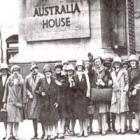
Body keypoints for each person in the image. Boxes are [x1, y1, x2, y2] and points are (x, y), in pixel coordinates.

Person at [35, 64, 59, 140]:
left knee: (52, 119)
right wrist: (40, 92)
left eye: (49, 72)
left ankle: (51, 134)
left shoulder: (54, 80)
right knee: (44, 120)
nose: (47, 74)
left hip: (52, 103)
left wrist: (57, 102)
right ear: (44, 73)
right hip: (44, 103)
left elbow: (58, 92)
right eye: (46, 72)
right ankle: (46, 134)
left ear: (51, 73)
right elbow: (35, 90)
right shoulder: (41, 80)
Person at [3, 65, 26, 140]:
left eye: (17, 71)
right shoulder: (9, 79)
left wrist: (23, 102)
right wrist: (4, 102)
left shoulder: (22, 80)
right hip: (10, 102)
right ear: (12, 72)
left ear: (19, 72)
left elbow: (24, 92)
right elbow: (6, 91)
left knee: (17, 120)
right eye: (14, 71)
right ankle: (9, 134)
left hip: (18, 103)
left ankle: (16, 134)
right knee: (9, 119)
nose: (15, 73)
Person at [91, 57, 112, 135]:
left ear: (101, 62)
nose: (97, 63)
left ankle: (103, 129)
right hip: (96, 93)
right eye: (96, 62)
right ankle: (99, 128)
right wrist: (95, 84)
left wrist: (104, 84)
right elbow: (92, 81)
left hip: (103, 93)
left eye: (98, 61)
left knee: (103, 112)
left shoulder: (106, 71)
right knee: (98, 112)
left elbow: (110, 82)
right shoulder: (94, 71)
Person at [25, 62, 44, 139]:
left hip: (40, 99)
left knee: (42, 117)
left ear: (37, 69)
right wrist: (29, 94)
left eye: (35, 68)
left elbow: (44, 86)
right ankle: (35, 134)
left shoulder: (42, 77)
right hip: (32, 100)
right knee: (33, 118)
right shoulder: (27, 78)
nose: (34, 70)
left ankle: (44, 133)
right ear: (30, 70)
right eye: (32, 69)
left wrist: (40, 91)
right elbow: (25, 88)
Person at [110, 56, 129, 134]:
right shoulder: (112, 73)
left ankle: (123, 128)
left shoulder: (124, 71)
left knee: (122, 112)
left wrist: (125, 90)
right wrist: (111, 84)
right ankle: (118, 128)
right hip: (115, 93)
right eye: (115, 63)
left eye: (118, 63)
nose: (116, 64)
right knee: (116, 112)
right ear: (113, 64)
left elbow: (127, 82)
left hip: (122, 93)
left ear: (120, 64)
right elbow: (111, 83)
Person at [74, 60, 90, 137]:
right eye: (78, 66)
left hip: (84, 97)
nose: (79, 67)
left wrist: (88, 94)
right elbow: (73, 87)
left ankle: (85, 130)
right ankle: (81, 130)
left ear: (82, 67)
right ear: (76, 67)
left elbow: (88, 85)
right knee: (79, 115)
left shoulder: (85, 75)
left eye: (80, 66)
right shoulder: (74, 76)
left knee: (85, 114)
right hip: (77, 97)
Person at [54, 62, 68, 139]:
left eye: (59, 68)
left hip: (63, 100)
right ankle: (56, 132)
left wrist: (60, 84)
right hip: (55, 99)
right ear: (55, 69)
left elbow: (66, 86)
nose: (58, 69)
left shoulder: (64, 77)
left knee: (62, 116)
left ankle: (62, 131)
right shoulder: (53, 77)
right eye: (57, 68)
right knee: (56, 116)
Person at [128, 55, 140, 134]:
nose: (132, 63)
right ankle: (137, 127)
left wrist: (136, 88)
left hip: (138, 92)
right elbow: (128, 81)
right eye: (131, 62)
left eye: (134, 61)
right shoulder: (128, 70)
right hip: (131, 93)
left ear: (136, 62)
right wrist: (129, 90)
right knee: (135, 111)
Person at [66, 64, 76, 135]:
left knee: (73, 115)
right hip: (66, 99)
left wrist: (73, 84)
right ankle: (67, 129)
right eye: (68, 71)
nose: (69, 72)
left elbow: (76, 89)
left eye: (71, 71)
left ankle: (73, 129)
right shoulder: (65, 78)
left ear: (73, 71)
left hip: (74, 99)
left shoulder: (75, 78)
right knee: (67, 115)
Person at [0, 63, 10, 140]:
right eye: (2, 70)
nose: (4, 71)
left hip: (9, 100)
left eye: (5, 70)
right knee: (3, 117)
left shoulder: (10, 78)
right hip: (0, 101)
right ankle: (5, 133)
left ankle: (11, 133)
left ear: (7, 70)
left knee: (10, 117)